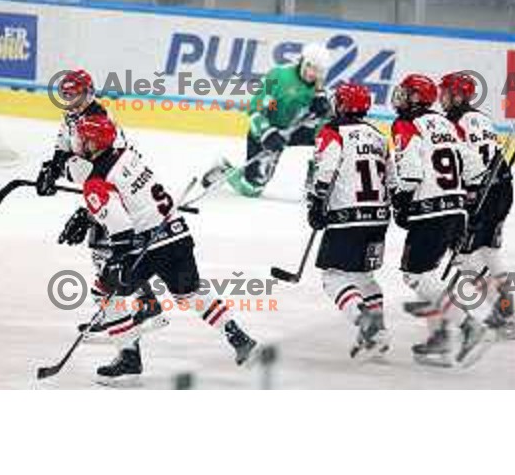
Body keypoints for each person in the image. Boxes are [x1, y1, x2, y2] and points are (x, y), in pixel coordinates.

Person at [59, 114, 258, 380]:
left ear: (94, 144)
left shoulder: (96, 181)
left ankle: (129, 356)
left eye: (82, 139)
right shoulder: (128, 155)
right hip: (177, 233)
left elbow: (120, 227)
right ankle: (237, 336)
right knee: (189, 293)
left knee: (105, 292)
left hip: (149, 245)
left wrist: (118, 258)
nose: (78, 143)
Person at [389, 73, 488, 367]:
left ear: (417, 98)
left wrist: (401, 201)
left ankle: (468, 324)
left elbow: (409, 171)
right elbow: (475, 170)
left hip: (430, 212)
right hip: (456, 211)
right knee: (429, 276)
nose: (402, 97)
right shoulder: (448, 124)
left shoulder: (406, 124)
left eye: (407, 93)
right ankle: (442, 337)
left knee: (416, 275)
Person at [307, 82, 391, 358]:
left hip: (347, 218)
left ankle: (364, 320)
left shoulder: (333, 132)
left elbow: (326, 170)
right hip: (379, 218)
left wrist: (317, 204)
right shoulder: (379, 136)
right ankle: (379, 333)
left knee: (333, 277)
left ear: (342, 105)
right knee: (365, 277)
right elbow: (392, 178)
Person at [439, 71, 515, 338]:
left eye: (446, 92)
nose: (442, 97)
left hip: (480, 193)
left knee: (463, 255)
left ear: (458, 96)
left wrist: (468, 198)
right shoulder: (482, 118)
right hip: (503, 189)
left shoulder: (451, 122)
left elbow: (468, 164)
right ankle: (507, 310)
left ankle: (498, 309)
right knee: (490, 250)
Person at [202, 43, 333, 197]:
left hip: (291, 131)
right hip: (266, 131)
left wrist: (324, 111)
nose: (313, 74)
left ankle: (316, 177)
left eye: (319, 71)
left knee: (329, 134)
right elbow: (255, 108)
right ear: (302, 61)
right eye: (311, 67)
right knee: (252, 189)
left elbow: (324, 117)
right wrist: (266, 133)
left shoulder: (318, 85)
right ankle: (224, 170)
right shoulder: (279, 76)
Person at [36, 69, 122, 197]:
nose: (70, 102)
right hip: (97, 175)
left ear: (88, 94)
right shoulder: (70, 116)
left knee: (76, 167)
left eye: (74, 96)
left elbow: (109, 157)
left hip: (115, 174)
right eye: (67, 96)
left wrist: (64, 170)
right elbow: (63, 144)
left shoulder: (98, 117)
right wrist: (53, 169)